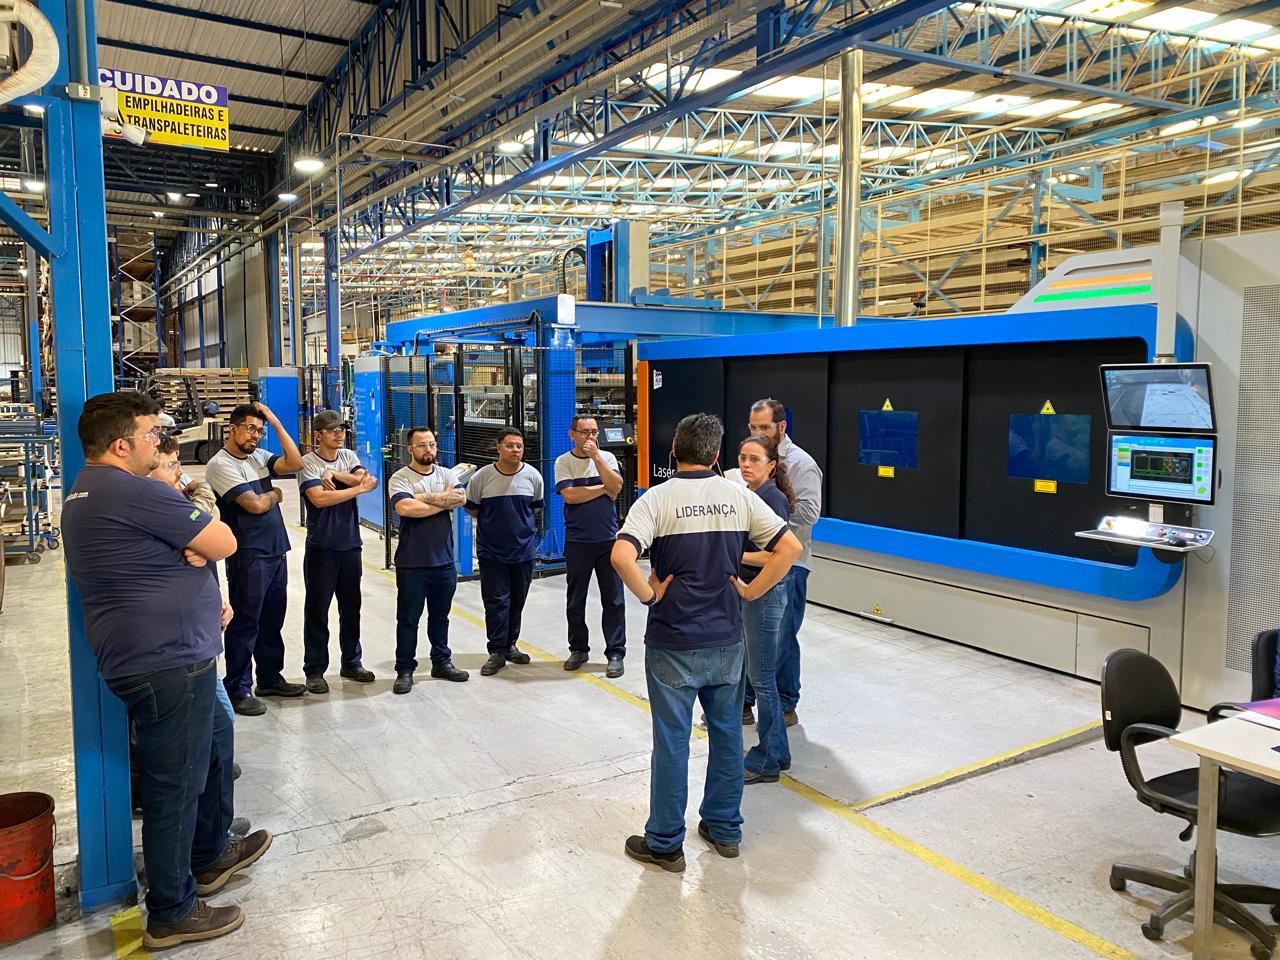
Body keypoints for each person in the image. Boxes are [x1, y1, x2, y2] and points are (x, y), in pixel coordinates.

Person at [62, 391, 272, 949]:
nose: (161, 446)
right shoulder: (130, 491)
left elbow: (197, 546)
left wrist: (192, 552)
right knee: (173, 789)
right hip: (167, 663)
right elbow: (223, 539)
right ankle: (172, 912)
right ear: (120, 444)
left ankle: (207, 856)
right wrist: (196, 539)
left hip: (163, 657)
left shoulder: (91, 490)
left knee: (206, 755)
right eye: (153, 435)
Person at [611, 413, 801, 871]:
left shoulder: (655, 499)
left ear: (674, 452)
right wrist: (753, 591)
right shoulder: (738, 496)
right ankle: (724, 828)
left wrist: (650, 594)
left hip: (673, 640)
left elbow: (621, 554)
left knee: (673, 741)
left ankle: (664, 843)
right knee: (727, 736)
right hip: (726, 639)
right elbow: (789, 550)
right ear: (717, 456)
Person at [206, 402, 306, 716]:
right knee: (246, 622)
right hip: (249, 554)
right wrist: (276, 495)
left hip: (275, 549)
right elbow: (255, 505)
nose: (255, 436)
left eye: (260, 431)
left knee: (272, 620)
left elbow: (296, 462)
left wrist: (276, 423)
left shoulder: (259, 457)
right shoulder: (221, 465)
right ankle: (238, 687)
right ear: (231, 428)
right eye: (250, 428)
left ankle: (269, 677)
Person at [745, 398, 822, 727]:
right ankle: (745, 703)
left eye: (764, 427)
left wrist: (770, 518)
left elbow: (809, 513)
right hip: (756, 563)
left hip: (790, 566)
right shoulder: (754, 460)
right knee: (751, 636)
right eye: (753, 428)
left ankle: (786, 705)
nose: (759, 433)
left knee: (782, 637)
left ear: (781, 427)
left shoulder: (802, 464)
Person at [297, 410, 378, 693]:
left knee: (351, 607)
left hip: (350, 546)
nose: (339, 434)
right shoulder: (307, 463)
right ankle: (315, 669)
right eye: (333, 430)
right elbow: (319, 499)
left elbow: (370, 481)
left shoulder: (348, 457)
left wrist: (334, 474)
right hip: (322, 548)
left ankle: (352, 662)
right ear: (318, 434)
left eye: (341, 429)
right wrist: (355, 488)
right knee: (317, 610)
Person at [388, 427, 470, 693]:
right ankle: (404, 669)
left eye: (432, 445)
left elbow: (460, 498)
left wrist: (425, 498)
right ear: (410, 449)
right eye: (422, 446)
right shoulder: (400, 478)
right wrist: (442, 500)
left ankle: (441, 662)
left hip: (443, 561)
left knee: (440, 616)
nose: (429, 450)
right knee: (408, 618)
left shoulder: (447, 474)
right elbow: (405, 508)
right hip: (412, 562)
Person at [736, 435, 796, 784]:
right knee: (761, 678)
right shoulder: (754, 495)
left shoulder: (771, 498)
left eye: (754, 459)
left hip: (764, 595)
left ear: (771, 465)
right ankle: (780, 752)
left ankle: (768, 760)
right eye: (743, 458)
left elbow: (777, 553)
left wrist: (733, 554)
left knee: (762, 681)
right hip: (760, 595)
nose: (746, 464)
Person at [466, 427, 544, 677]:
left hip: (523, 552)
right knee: (496, 602)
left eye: (519, 446)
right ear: (498, 447)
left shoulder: (532, 476)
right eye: (510, 446)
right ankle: (496, 651)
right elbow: (473, 508)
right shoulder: (483, 477)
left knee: (517, 601)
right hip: (492, 552)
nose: (515, 450)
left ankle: (511, 645)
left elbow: (535, 508)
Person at [555, 415, 627, 677]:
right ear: (571, 434)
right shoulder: (563, 462)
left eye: (594, 432)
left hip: (607, 540)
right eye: (584, 432)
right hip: (577, 542)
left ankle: (615, 652)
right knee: (576, 600)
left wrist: (597, 459)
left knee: (614, 599)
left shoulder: (606, 459)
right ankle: (578, 649)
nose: (590, 437)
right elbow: (571, 496)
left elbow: (617, 487)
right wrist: (602, 487)